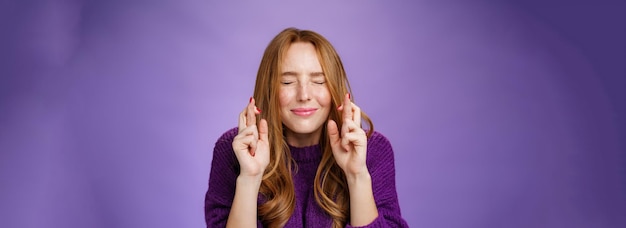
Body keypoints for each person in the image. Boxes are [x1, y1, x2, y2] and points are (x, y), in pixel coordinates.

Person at [204, 27, 408, 228]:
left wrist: (357, 175)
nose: (304, 95)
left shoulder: (372, 149)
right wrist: (249, 178)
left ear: (334, 88)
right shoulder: (234, 150)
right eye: (287, 81)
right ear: (268, 88)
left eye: (318, 81)